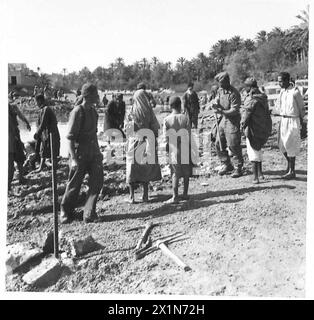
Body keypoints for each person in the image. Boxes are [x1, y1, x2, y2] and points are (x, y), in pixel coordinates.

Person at [60, 83, 104, 224]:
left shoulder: (94, 112)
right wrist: (73, 159)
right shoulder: (78, 111)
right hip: (79, 153)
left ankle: (89, 212)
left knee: (97, 181)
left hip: (93, 152)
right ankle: (65, 212)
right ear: (88, 96)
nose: (98, 97)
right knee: (74, 184)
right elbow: (71, 138)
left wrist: (98, 153)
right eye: (95, 94)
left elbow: (94, 135)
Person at [125, 87, 161, 203]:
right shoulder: (149, 111)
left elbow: (128, 130)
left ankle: (131, 197)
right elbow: (155, 128)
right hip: (147, 141)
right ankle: (145, 195)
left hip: (134, 142)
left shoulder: (132, 112)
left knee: (132, 167)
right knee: (145, 168)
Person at [211, 71, 243, 178]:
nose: (220, 85)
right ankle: (226, 164)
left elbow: (234, 110)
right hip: (222, 120)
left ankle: (238, 167)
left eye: (221, 82)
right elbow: (217, 100)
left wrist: (222, 111)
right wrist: (214, 104)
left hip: (232, 120)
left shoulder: (234, 93)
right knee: (218, 142)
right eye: (219, 83)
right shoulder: (220, 91)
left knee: (233, 144)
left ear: (226, 81)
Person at [241, 77, 272, 184]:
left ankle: (255, 178)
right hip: (262, 127)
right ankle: (261, 174)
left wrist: (242, 126)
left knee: (253, 152)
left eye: (246, 86)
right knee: (258, 150)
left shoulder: (251, 99)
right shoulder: (263, 97)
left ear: (250, 87)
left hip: (252, 128)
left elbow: (246, 116)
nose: (245, 88)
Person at [276, 72, 305, 179]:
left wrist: (303, 124)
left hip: (293, 120)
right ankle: (289, 165)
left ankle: (292, 171)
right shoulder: (282, 92)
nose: (280, 83)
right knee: (282, 145)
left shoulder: (295, 92)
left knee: (291, 144)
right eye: (278, 81)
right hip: (283, 120)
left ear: (287, 80)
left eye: (281, 81)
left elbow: (302, 109)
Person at [163, 96, 192, 203]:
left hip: (173, 147)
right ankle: (185, 194)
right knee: (186, 171)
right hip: (184, 146)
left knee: (175, 172)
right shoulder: (185, 118)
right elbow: (188, 133)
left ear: (170, 106)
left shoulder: (166, 119)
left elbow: (165, 137)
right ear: (180, 105)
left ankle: (175, 196)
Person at [8, 95, 31, 190]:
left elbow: (20, 115)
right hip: (13, 136)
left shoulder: (12, 106)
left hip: (13, 135)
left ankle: (19, 178)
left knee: (17, 158)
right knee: (15, 158)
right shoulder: (12, 106)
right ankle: (14, 181)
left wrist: (26, 122)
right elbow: (20, 116)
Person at [34, 94, 60, 172]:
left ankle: (53, 168)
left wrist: (37, 133)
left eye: (36, 102)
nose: (36, 104)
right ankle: (41, 167)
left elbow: (43, 123)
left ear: (40, 101)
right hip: (46, 134)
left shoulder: (46, 109)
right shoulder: (43, 109)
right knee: (44, 150)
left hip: (52, 134)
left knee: (52, 151)